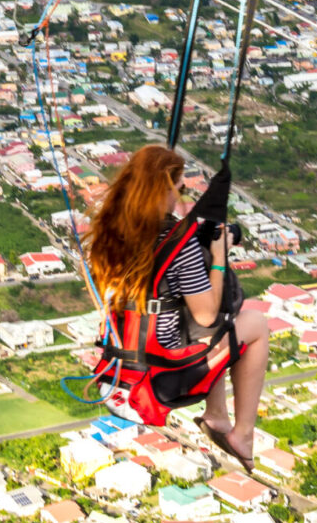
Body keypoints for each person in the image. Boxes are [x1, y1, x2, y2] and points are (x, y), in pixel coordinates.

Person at [86, 145, 270, 469]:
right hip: (162, 378)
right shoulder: (177, 244)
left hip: (115, 373)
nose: (181, 196)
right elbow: (207, 315)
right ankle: (243, 433)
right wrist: (217, 258)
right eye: (181, 188)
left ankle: (216, 415)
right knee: (253, 323)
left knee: (205, 331)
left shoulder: (110, 233)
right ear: (165, 189)